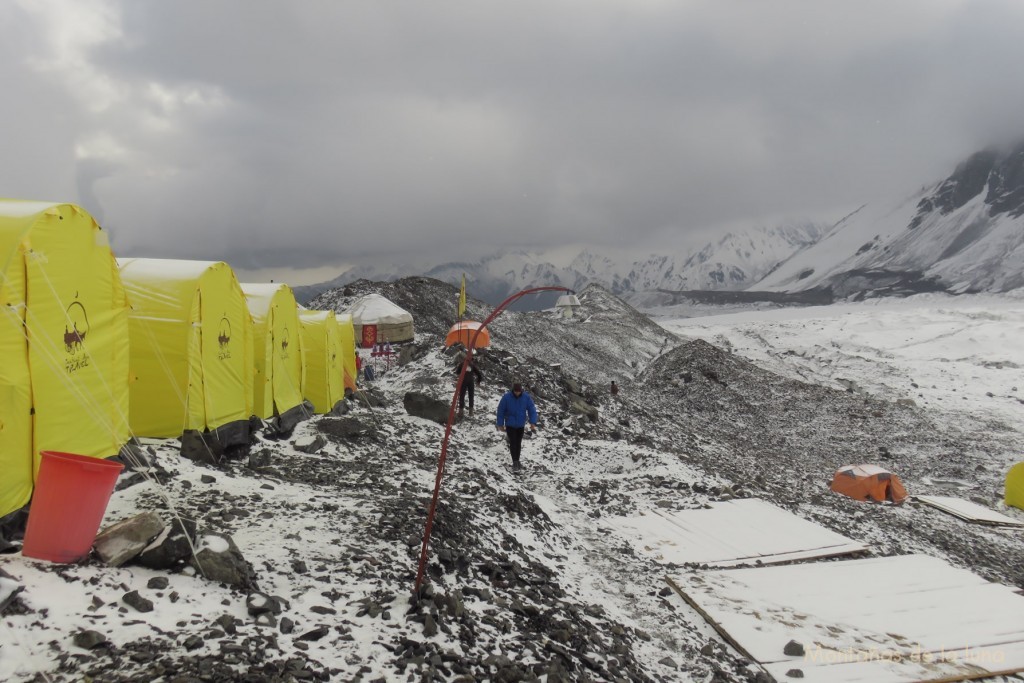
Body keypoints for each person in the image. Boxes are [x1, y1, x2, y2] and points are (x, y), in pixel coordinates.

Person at [495, 382, 538, 471]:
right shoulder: (506, 397)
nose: (517, 393)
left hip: (520, 425)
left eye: (518, 391)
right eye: (515, 391)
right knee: (513, 442)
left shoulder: (526, 397)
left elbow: (532, 409)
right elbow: (501, 410)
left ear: (521, 390)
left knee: (518, 443)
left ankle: (517, 461)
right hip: (510, 424)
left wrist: (532, 422)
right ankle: (515, 461)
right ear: (513, 390)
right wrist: (500, 424)